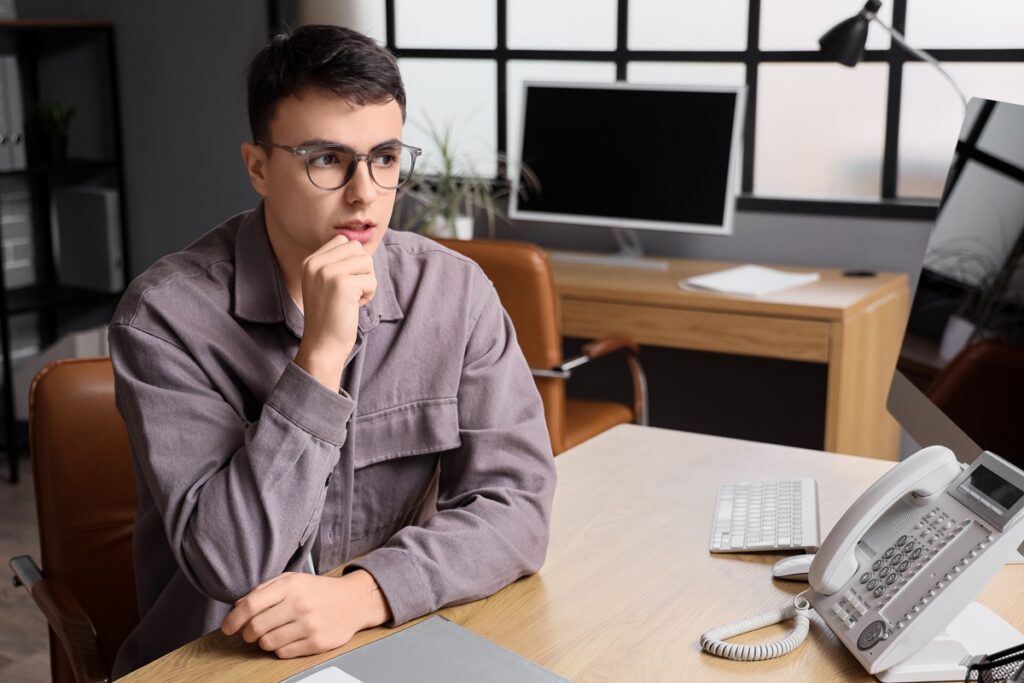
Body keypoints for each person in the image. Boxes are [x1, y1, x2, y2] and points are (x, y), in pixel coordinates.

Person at [108, 24, 555, 678]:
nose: (365, 193)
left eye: (386, 157)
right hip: (213, 664)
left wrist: (365, 592)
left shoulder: (455, 293)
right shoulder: (164, 317)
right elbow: (231, 567)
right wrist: (320, 355)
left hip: (388, 644)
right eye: (326, 159)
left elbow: (517, 508)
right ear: (258, 166)